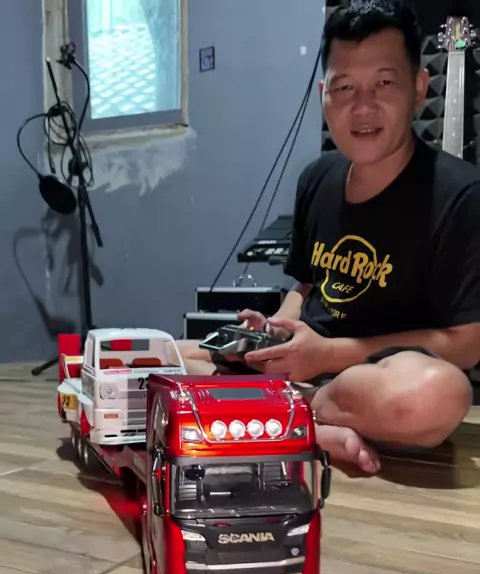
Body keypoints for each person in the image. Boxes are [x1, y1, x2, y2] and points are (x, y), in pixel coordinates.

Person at [178, 0, 480, 473]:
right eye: (344, 87)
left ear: (420, 87)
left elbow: (467, 343)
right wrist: (276, 330)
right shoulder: (317, 178)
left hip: (371, 381)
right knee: (150, 356)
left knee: (437, 394)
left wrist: (327, 356)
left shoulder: (462, 195)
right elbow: (307, 285)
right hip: (305, 363)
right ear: (324, 94)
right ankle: (306, 425)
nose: (363, 106)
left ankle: (292, 409)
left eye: (384, 83)